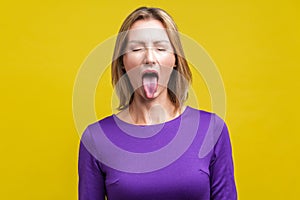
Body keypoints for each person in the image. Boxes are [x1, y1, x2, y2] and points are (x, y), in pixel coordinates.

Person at [78, 7, 237, 200]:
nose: (150, 58)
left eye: (161, 48)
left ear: (176, 59)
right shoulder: (96, 138)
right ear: (122, 61)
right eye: (136, 49)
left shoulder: (212, 129)